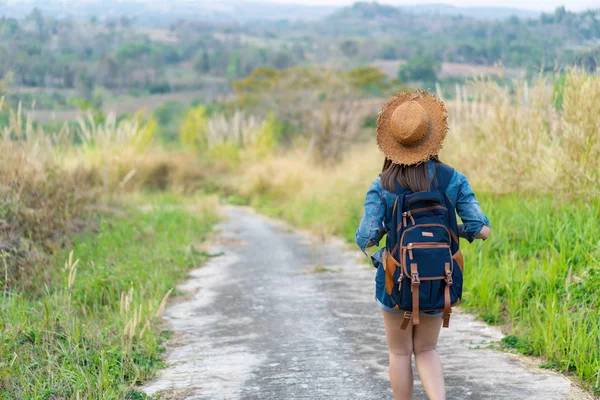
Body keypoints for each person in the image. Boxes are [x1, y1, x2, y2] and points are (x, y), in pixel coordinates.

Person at [355, 90, 491, 400]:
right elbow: (481, 230)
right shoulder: (453, 179)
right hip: (439, 280)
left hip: (396, 278)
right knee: (427, 349)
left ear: (393, 143)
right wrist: (448, 230)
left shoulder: (383, 184)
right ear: (432, 137)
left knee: (399, 353)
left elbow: (366, 237)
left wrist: (390, 237)